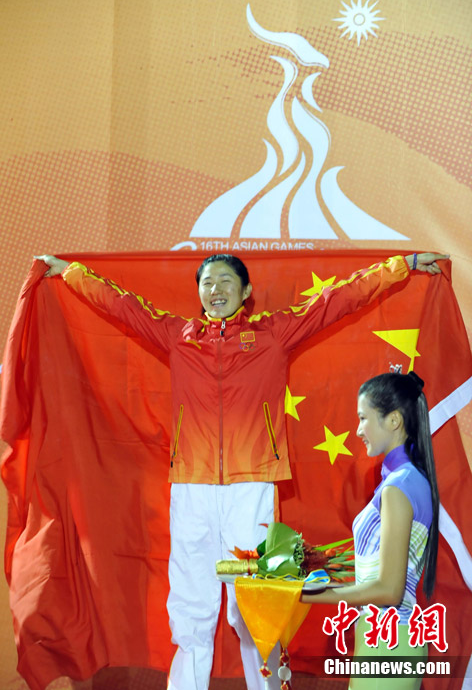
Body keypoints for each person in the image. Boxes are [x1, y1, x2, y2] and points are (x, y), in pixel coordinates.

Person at [35, 251, 446, 690]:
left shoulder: (273, 335)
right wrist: (71, 273)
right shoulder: (178, 336)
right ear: (199, 293)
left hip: (251, 486)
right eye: (207, 283)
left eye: (226, 281)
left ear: (246, 291)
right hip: (191, 487)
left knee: (254, 607)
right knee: (191, 607)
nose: (216, 290)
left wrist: (403, 265)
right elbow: (123, 306)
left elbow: (336, 300)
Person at [301, 371, 439, 690]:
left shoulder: (399, 486)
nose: (358, 429)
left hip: (390, 643)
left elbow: (389, 590)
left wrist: (311, 595)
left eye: (363, 418)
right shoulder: (404, 481)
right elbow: (379, 578)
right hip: (387, 638)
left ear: (393, 420)